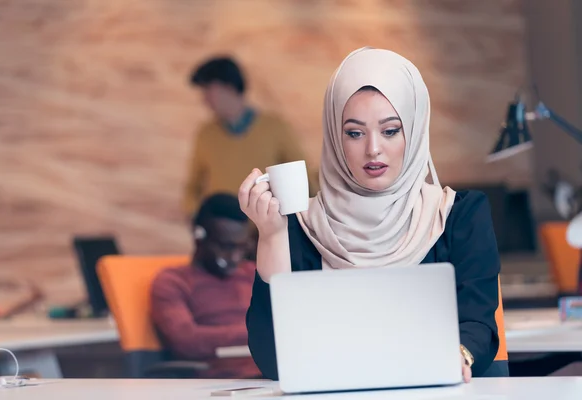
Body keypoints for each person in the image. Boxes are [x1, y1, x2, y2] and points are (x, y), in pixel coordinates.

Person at [239, 48, 505, 383]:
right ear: (336, 138)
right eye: (354, 133)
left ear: (415, 129)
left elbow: (477, 324)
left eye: (390, 130)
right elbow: (275, 361)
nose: (373, 149)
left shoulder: (458, 215)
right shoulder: (300, 227)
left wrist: (455, 358)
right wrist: (271, 236)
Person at [182, 56, 315, 218]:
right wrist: (198, 217)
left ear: (229, 87)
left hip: (270, 230)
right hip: (223, 234)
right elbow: (193, 187)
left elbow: (305, 176)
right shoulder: (206, 134)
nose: (204, 100)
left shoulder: (275, 128)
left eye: (208, 91)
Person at [150, 193, 260, 379]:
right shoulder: (173, 282)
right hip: (225, 382)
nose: (234, 257)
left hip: (275, 375)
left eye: (242, 248)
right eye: (225, 246)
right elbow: (186, 341)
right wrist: (259, 331)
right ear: (198, 236)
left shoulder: (253, 273)